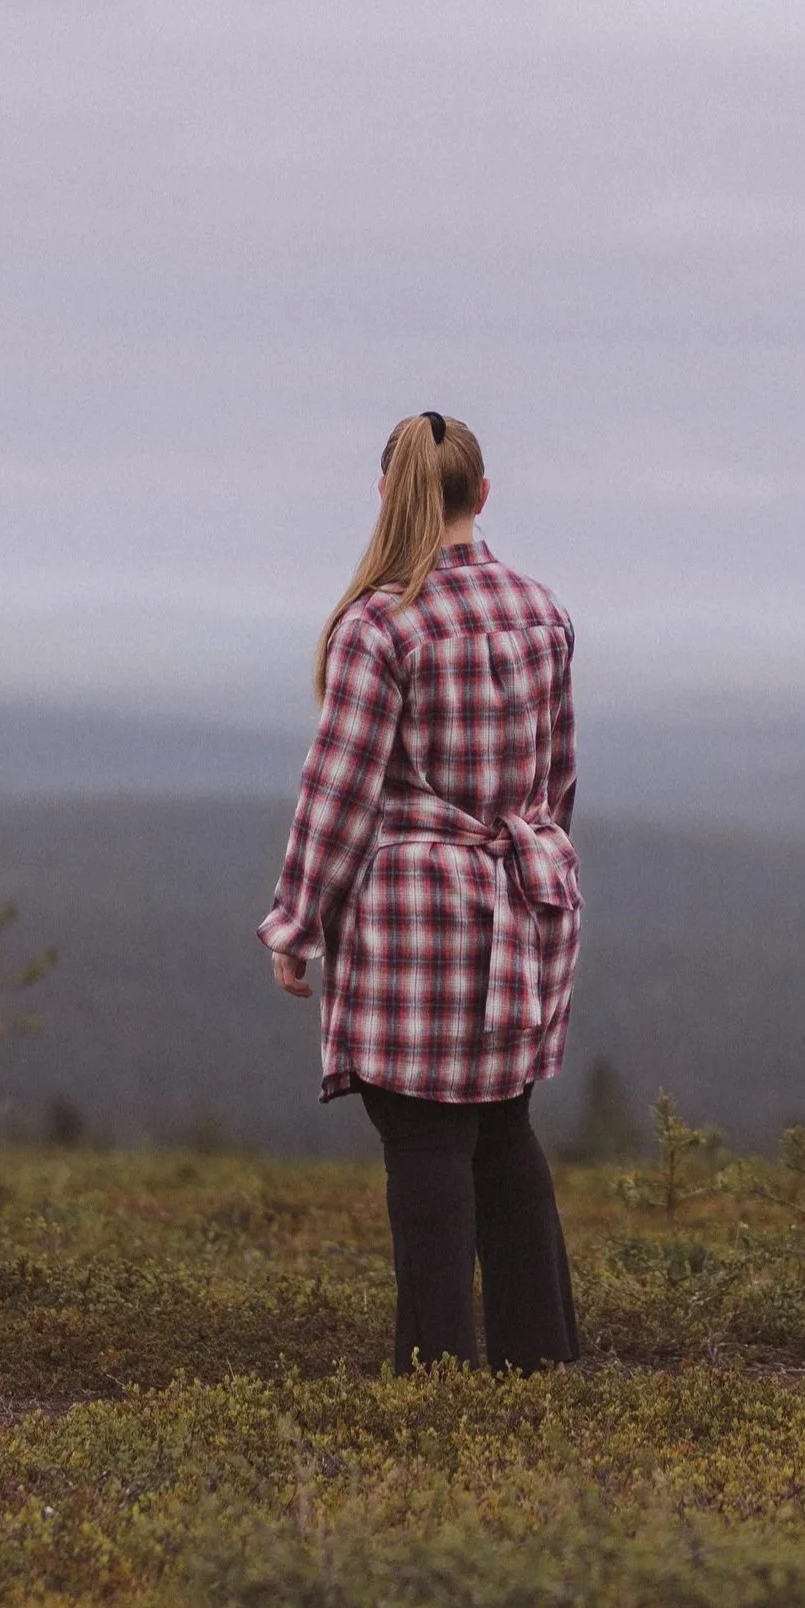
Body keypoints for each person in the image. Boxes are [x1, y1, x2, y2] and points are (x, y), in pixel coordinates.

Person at [258, 412, 583, 1373]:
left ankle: (435, 1376)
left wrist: (297, 922)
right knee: (504, 1127)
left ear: (385, 494)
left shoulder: (380, 625)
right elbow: (559, 780)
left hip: (417, 916)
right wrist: (537, 877)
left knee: (426, 1139)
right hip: (526, 898)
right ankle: (540, 1365)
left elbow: (339, 790)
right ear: (482, 494)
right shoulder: (542, 610)